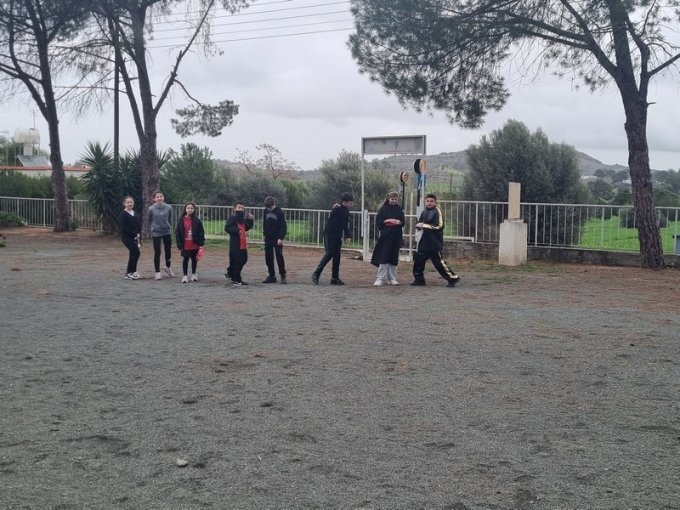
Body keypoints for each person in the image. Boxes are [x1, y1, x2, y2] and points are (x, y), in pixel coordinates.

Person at [411, 193, 461, 287]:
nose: (429, 203)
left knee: (438, 262)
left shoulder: (437, 211)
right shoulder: (424, 211)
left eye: (431, 201)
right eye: (427, 201)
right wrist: (418, 225)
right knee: (418, 260)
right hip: (424, 241)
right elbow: (420, 222)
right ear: (425, 202)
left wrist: (424, 225)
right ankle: (419, 279)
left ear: (435, 202)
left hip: (434, 241)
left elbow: (440, 226)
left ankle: (452, 278)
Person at [312, 192, 354, 285]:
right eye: (350, 203)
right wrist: (334, 207)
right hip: (329, 234)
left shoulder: (346, 211)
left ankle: (335, 278)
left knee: (337, 256)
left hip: (337, 235)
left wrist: (348, 235)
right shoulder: (337, 208)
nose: (352, 205)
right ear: (344, 202)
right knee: (329, 253)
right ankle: (316, 273)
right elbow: (332, 216)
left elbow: (345, 224)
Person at [371, 191, 405, 286]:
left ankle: (392, 278)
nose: (393, 201)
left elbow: (403, 222)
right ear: (388, 199)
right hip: (386, 235)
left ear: (398, 200)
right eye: (392, 199)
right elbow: (379, 221)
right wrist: (387, 220)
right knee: (384, 256)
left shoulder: (399, 209)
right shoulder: (383, 209)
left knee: (394, 257)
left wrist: (399, 222)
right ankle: (380, 278)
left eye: (395, 199)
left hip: (396, 235)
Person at [224, 201, 254, 286]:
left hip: (243, 243)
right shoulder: (232, 218)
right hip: (235, 243)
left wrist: (250, 220)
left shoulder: (242, 219)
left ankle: (230, 273)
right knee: (238, 261)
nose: (240, 209)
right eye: (239, 207)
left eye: (242, 208)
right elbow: (227, 228)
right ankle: (236, 279)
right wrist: (237, 230)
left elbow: (246, 228)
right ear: (234, 209)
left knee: (244, 259)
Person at [175, 202, 205, 283]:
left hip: (194, 244)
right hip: (185, 244)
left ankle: (194, 274)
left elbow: (201, 232)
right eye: (188, 208)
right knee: (185, 259)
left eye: (191, 208)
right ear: (185, 209)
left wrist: (201, 243)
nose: (190, 210)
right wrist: (179, 245)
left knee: (194, 260)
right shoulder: (181, 220)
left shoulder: (197, 220)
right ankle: (185, 276)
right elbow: (177, 233)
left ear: (194, 209)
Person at [148, 191, 175, 280]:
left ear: (163, 197)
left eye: (161, 196)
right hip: (156, 232)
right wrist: (152, 229)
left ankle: (168, 267)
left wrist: (169, 227)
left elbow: (170, 219)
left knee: (168, 251)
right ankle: (157, 272)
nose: (159, 198)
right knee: (157, 252)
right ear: (154, 199)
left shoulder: (169, 207)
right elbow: (149, 220)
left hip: (166, 231)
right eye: (157, 197)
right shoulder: (151, 209)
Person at [262, 196, 288, 284]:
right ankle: (272, 276)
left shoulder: (279, 212)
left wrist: (281, 237)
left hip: (277, 238)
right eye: (268, 208)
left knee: (279, 257)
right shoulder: (265, 211)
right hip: (268, 237)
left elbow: (283, 226)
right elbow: (264, 223)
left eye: (271, 207)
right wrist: (264, 234)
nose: (269, 209)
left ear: (274, 204)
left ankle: (283, 275)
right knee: (268, 257)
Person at [119, 196, 141, 280]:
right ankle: (132, 272)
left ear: (133, 203)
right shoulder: (123, 214)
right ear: (124, 204)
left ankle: (130, 272)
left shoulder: (135, 214)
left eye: (131, 202)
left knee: (133, 253)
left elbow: (138, 226)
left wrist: (139, 235)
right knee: (136, 252)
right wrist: (134, 234)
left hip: (135, 237)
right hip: (127, 237)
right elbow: (124, 228)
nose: (129, 204)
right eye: (127, 202)